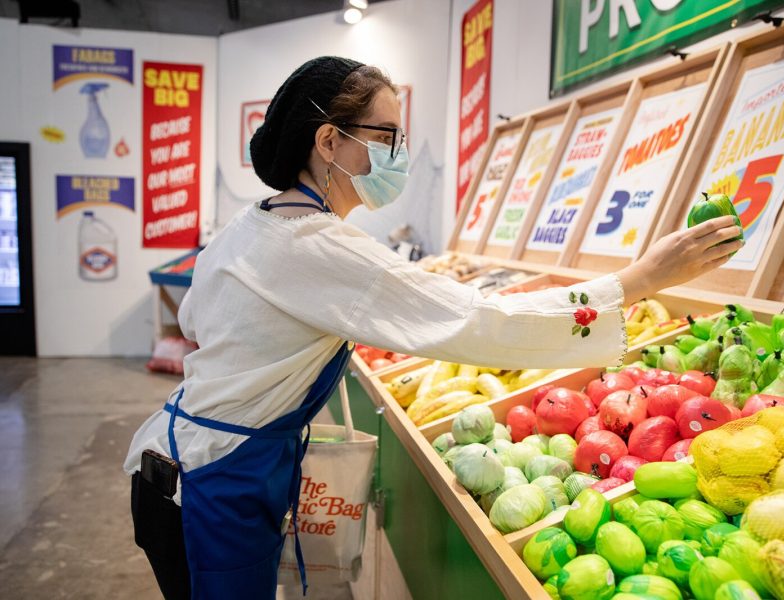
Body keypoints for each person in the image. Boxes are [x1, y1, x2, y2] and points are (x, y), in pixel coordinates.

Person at [125, 56, 743, 600]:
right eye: (386, 136)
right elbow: (476, 320)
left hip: (181, 464)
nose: (399, 155)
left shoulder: (254, 223)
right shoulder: (316, 245)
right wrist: (635, 281)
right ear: (329, 142)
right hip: (213, 483)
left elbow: (196, 320)